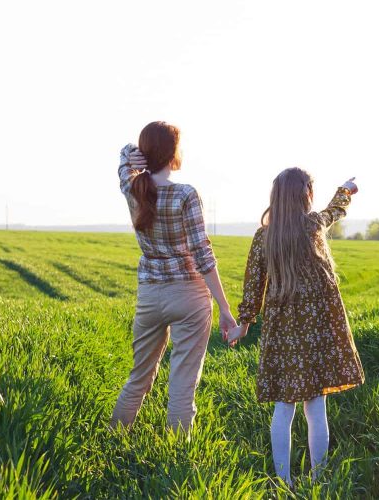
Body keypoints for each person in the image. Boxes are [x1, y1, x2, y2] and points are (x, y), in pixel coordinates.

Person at [227, 168, 365, 485]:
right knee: (316, 407)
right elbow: (335, 210)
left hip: (281, 331)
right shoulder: (313, 225)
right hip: (316, 328)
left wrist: (243, 325)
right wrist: (345, 190)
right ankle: (319, 479)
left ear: (276, 197)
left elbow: (253, 285)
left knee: (283, 406)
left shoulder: (264, 237)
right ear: (307, 195)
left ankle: (283, 481)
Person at [110, 121, 236, 433]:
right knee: (183, 384)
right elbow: (202, 253)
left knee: (138, 377)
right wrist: (224, 307)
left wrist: (131, 154)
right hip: (189, 295)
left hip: (150, 295)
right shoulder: (185, 194)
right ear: (173, 153)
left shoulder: (133, 188)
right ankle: (177, 452)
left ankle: (113, 438)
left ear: (145, 152)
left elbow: (123, 164)